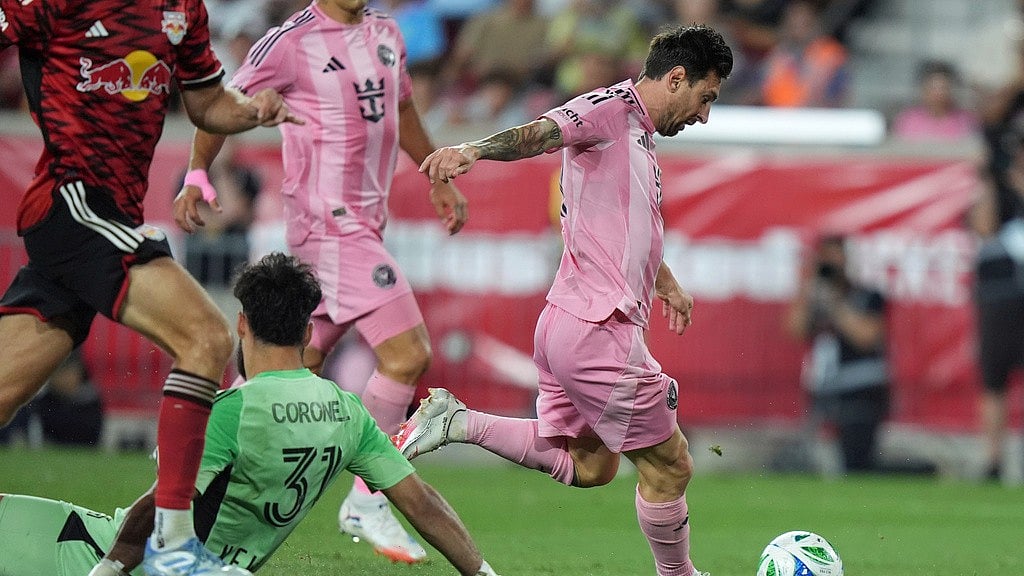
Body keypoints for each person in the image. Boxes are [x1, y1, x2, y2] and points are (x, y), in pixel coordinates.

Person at [396, 24, 732, 576]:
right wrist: (470, 151)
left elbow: (630, 228)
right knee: (672, 465)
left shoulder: (641, 136)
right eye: (705, 97)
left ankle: (456, 422)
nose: (703, 114)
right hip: (599, 329)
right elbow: (540, 134)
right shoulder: (610, 109)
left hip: (566, 326)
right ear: (676, 78)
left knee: (593, 466)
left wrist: (664, 279)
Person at [0, 2, 300, 575]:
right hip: (72, 204)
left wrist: (254, 110)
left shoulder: (181, 9)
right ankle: (174, 548)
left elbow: (208, 102)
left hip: (100, 218)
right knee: (208, 337)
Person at [173, 0, 469, 563]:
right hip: (327, 225)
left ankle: (192, 459)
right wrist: (195, 174)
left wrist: (435, 173)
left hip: (364, 226)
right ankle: (367, 499)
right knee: (407, 354)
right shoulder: (290, 42)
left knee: (290, 371)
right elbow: (217, 104)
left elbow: (401, 108)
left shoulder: (386, 31)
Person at [0, 252, 500, 576]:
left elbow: (159, 508)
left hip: (91, 549)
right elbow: (421, 504)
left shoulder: (229, 412)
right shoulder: (347, 413)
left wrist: (106, 571)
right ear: (307, 334)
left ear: (241, 323)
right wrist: (481, 572)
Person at [784, 234, 890, 474]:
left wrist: (835, 303)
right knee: (819, 466)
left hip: (860, 393)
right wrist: (807, 287)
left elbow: (866, 336)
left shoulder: (867, 296)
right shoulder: (815, 297)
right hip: (824, 392)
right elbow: (794, 329)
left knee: (856, 465)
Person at [972, 76, 1024, 483]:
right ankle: (993, 460)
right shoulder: (997, 184)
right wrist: (989, 182)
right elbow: (984, 229)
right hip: (1000, 293)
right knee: (994, 377)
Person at [892, 60, 978, 142]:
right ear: (923, 90)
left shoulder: (965, 121)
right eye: (933, 88)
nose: (938, 94)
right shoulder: (908, 120)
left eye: (944, 88)